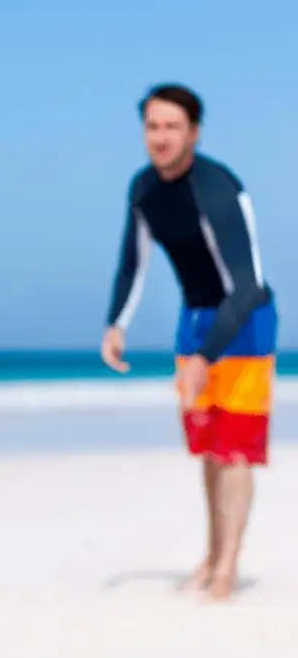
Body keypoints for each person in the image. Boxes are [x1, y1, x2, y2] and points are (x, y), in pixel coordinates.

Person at [100, 83, 276, 602]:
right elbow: (133, 260)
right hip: (194, 322)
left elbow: (247, 287)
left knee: (236, 452)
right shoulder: (144, 190)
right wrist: (116, 324)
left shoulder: (218, 190)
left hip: (245, 324)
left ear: (193, 133)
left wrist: (207, 354)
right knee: (208, 450)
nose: (161, 137)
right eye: (153, 126)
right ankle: (211, 552)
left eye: (172, 127)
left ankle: (228, 568)